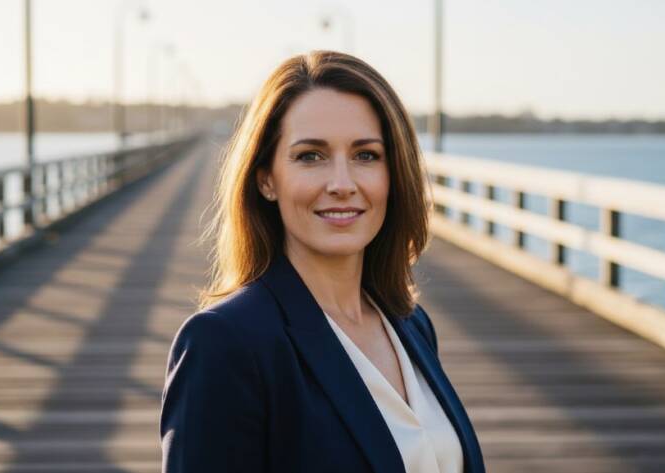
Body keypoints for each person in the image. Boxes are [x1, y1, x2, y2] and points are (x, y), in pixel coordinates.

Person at [160, 50, 485, 473]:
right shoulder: (224, 344)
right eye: (310, 156)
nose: (341, 184)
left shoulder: (411, 323)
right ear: (266, 179)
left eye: (366, 155)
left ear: (394, 173)